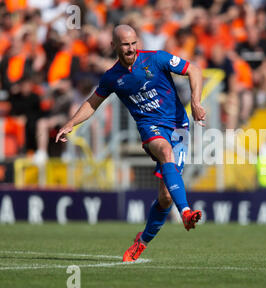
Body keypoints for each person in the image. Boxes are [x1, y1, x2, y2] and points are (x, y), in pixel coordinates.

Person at [55, 25, 206, 260]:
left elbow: (194, 70)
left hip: (179, 128)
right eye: (125, 44)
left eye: (134, 43)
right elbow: (92, 103)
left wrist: (195, 101)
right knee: (165, 151)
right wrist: (70, 123)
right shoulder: (113, 77)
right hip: (150, 129)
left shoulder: (157, 59)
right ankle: (186, 211)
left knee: (165, 196)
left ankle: (142, 241)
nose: (131, 48)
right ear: (114, 46)